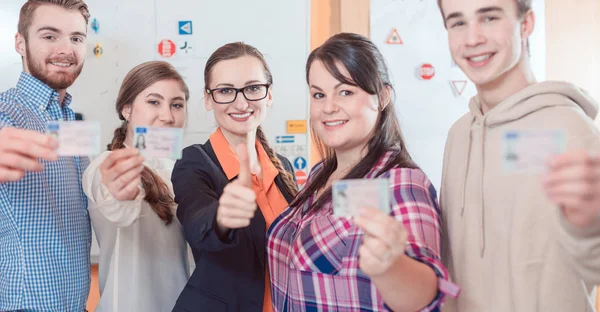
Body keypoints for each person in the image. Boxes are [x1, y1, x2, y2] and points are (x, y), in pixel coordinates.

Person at [436, 0, 600, 310]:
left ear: (525, 24)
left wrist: (591, 222)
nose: (472, 38)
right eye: (457, 22)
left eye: (489, 17)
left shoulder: (570, 128)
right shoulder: (458, 135)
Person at [267, 33, 449, 312]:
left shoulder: (398, 182)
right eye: (318, 94)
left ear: (382, 96)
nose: (328, 107)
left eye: (345, 92)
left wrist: (391, 266)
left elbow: (423, 296)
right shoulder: (319, 175)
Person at [171, 42, 298, 312]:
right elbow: (197, 221)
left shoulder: (283, 166)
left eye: (253, 88)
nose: (241, 103)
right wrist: (221, 216)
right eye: (226, 91)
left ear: (269, 95)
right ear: (208, 99)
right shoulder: (194, 162)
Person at [0, 0, 92, 310]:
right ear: (20, 43)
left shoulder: (73, 120)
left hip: (76, 302)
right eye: (50, 36)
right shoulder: (5, 113)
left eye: (76, 38)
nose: (66, 49)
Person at [82, 61, 191, 312]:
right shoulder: (106, 165)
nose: (167, 115)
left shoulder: (180, 170)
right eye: (154, 102)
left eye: (177, 104)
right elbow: (116, 205)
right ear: (126, 109)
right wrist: (120, 194)